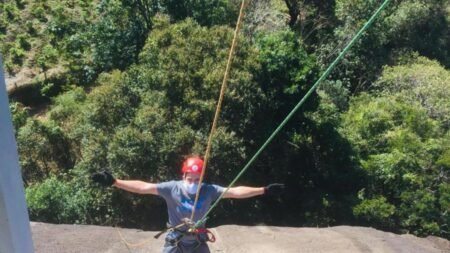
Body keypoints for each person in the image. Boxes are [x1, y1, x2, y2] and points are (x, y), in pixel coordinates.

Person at [92, 156, 284, 253]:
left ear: (201, 178)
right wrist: (115, 182)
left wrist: (263, 190)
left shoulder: (209, 190)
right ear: (183, 175)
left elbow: (234, 191)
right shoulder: (172, 188)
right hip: (176, 240)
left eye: (196, 178)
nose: (192, 181)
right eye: (189, 177)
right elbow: (144, 187)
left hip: (198, 242)